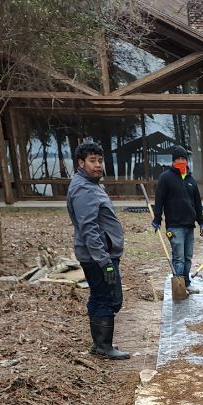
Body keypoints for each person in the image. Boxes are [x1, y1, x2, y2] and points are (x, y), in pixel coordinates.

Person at [66, 140, 130, 360]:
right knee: (109, 299)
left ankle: (100, 344)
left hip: (99, 254)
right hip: (98, 257)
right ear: (81, 162)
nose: (97, 165)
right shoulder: (84, 189)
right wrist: (104, 262)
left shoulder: (91, 185)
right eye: (92, 161)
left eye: (100, 160)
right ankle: (104, 346)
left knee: (99, 296)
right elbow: (89, 228)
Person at [152, 145, 203, 296]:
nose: (181, 161)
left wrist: (201, 221)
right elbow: (159, 200)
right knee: (179, 258)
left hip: (189, 225)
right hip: (175, 227)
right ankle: (179, 288)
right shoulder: (166, 178)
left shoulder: (190, 180)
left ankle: (186, 284)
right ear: (173, 161)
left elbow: (197, 203)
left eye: (183, 159)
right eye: (178, 159)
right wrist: (157, 219)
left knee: (188, 257)